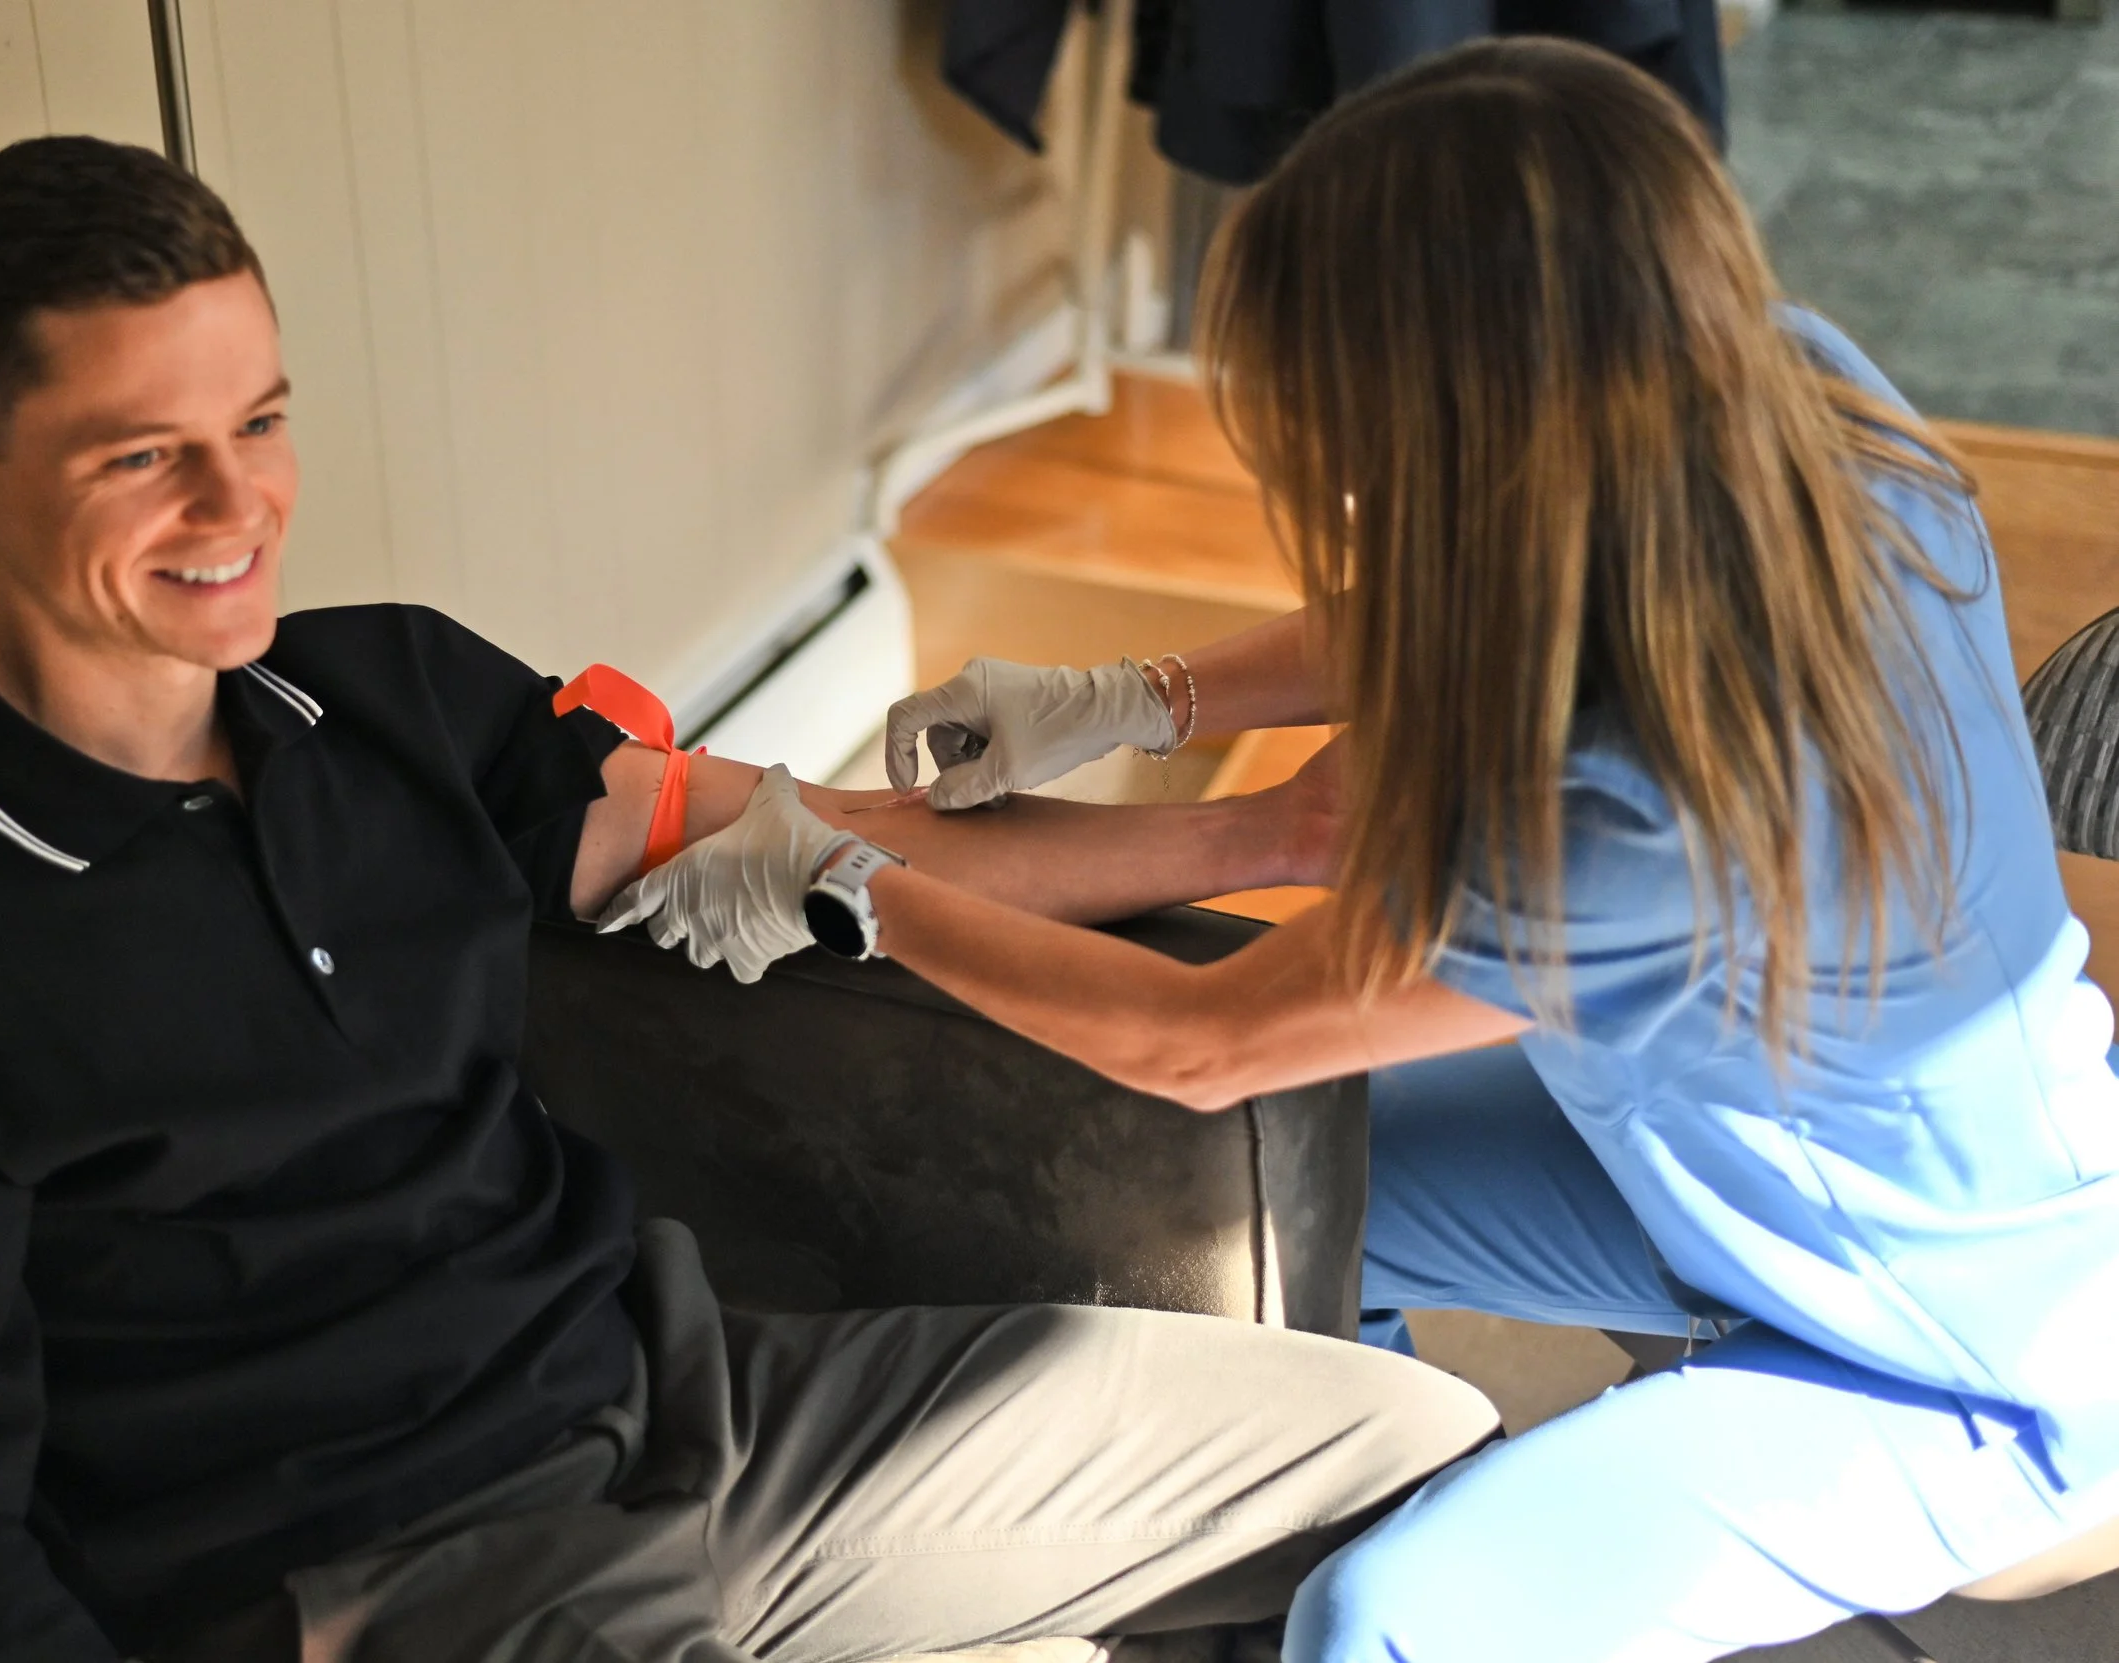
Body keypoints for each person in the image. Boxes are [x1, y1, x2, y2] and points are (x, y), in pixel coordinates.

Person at [0, 136, 1496, 1663]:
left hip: (696, 1407)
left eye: (260, 416)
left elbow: (803, 838)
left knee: (1422, 1468)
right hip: (386, 1584)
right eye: (143, 453)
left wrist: (1239, 834)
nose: (238, 500)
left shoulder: (376, 694)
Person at [604, 39, 2119, 1663]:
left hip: (1960, 1363)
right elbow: (1485, 599)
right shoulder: (1801, 407)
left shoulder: (1630, 832)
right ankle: (1358, 1486)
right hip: (1835, 1169)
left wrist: (849, 892)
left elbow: (1199, 1039)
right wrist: (1136, 694)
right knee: (1304, 1196)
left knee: (1382, 1618)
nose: (1336, 477)